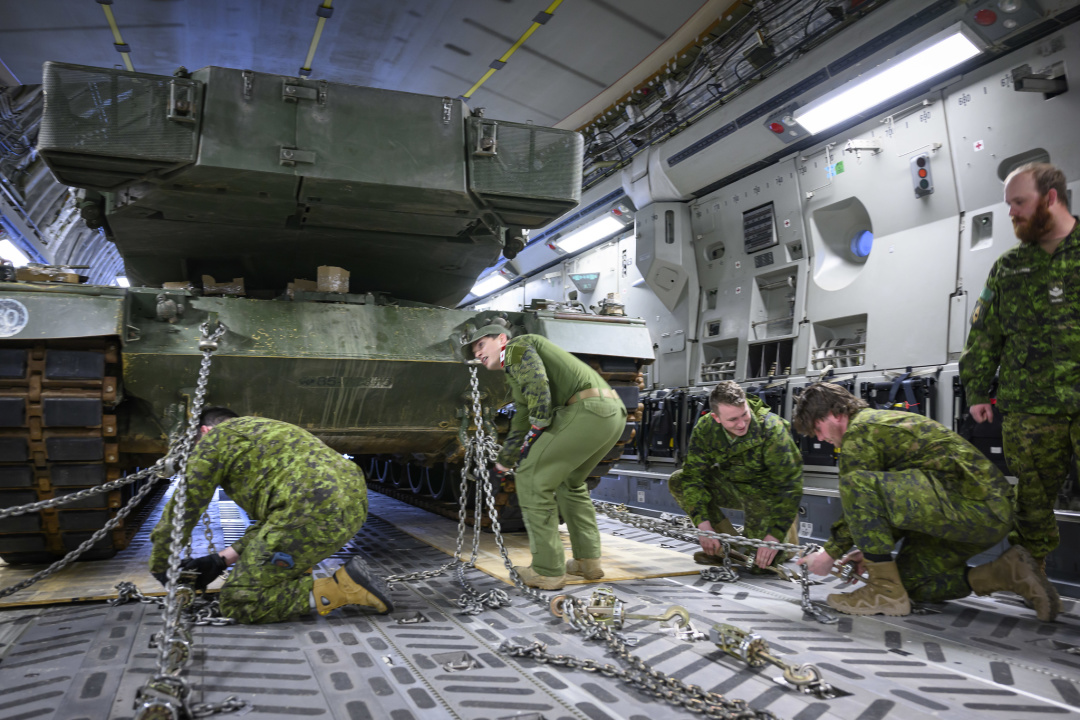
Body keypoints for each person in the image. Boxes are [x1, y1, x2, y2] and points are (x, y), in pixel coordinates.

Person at [793, 382, 1058, 621]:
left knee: (855, 483)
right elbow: (898, 501)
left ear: (836, 413)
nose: (819, 438)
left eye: (818, 428)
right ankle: (1008, 573)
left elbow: (862, 495)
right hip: (977, 513)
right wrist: (872, 549)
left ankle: (883, 592)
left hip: (975, 505)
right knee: (908, 584)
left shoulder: (860, 432)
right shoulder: (876, 426)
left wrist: (829, 554)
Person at [149, 408, 393, 623]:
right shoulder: (272, 429)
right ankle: (288, 580)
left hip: (309, 511)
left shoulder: (214, 441)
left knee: (239, 600)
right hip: (352, 507)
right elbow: (274, 522)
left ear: (204, 430)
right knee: (271, 550)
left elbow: (183, 509)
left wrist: (161, 566)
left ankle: (344, 589)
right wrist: (221, 560)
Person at [960, 162, 1078, 604]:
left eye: (1019, 202)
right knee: (1031, 503)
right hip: (1029, 408)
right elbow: (985, 334)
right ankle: (1032, 580)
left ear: (1050, 198)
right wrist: (976, 391)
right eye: (1008, 204)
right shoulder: (1009, 267)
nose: (1011, 213)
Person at [466, 319, 627, 590]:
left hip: (584, 412)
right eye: (475, 353)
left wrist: (539, 424)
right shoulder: (514, 369)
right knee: (570, 484)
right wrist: (502, 466)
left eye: (481, 345)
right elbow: (521, 417)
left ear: (501, 340)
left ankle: (547, 570)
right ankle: (587, 561)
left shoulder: (516, 347)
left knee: (531, 479)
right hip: (611, 414)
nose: (478, 354)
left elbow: (537, 384)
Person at [668, 381, 802, 569]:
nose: (741, 424)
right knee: (679, 480)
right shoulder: (706, 429)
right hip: (734, 486)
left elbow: (791, 485)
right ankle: (726, 544)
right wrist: (703, 525)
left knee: (761, 565)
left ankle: (786, 539)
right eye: (732, 420)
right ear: (716, 418)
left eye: (744, 415)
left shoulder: (771, 428)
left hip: (767, 495)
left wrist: (774, 535)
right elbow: (693, 478)